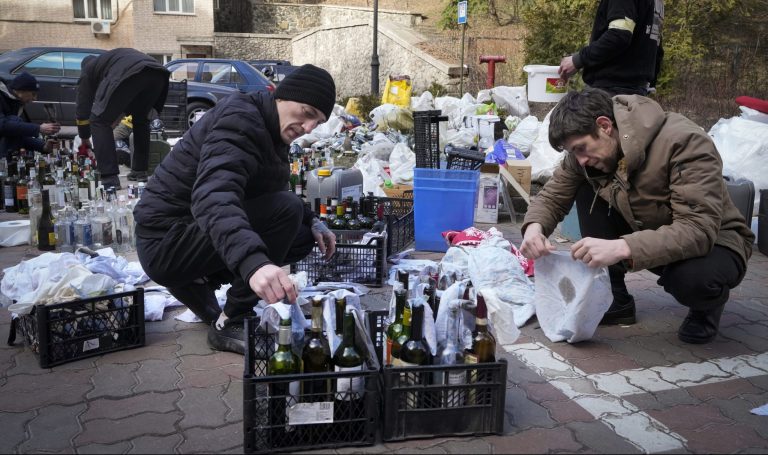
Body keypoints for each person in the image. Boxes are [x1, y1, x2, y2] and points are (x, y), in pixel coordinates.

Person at [520, 88, 754, 344]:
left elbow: (697, 229)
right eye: (574, 153)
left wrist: (623, 247)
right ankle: (616, 301)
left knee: (692, 280)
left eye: (581, 148)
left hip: (715, 241)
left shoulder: (684, 142)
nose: (581, 159)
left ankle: (705, 308)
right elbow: (553, 195)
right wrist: (535, 227)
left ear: (604, 125)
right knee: (586, 186)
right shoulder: (586, 154)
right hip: (649, 228)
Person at [133, 64, 338, 355]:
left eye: (316, 122)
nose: (307, 128)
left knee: (303, 234)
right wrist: (255, 264)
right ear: (282, 96)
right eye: (306, 112)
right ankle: (233, 319)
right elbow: (213, 195)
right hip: (165, 241)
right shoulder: (241, 119)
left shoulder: (270, 128)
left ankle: (197, 281)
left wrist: (313, 220)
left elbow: (271, 190)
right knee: (286, 212)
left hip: (189, 234)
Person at [76, 48, 170, 189]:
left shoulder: (88, 70)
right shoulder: (110, 61)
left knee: (98, 121)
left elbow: (83, 109)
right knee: (140, 120)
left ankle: (109, 178)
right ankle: (139, 171)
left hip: (133, 72)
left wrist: (84, 138)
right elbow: (124, 102)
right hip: (158, 74)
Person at [558, 0, 664, 96]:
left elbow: (619, 35)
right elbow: (656, 47)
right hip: (637, 94)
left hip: (609, 93)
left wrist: (578, 60)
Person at [0, 72, 61, 158]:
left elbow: (18, 135)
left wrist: (43, 146)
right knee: (14, 121)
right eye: (33, 94)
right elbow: (3, 126)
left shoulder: (17, 103)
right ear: (21, 90)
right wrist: (39, 128)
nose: (34, 99)